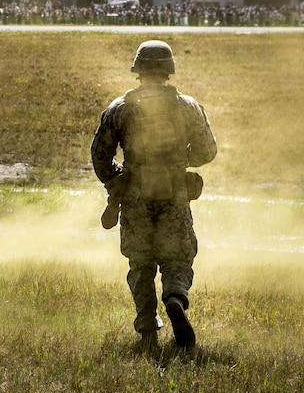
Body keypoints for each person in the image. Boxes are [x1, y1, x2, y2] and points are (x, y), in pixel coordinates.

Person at [90, 40, 217, 352]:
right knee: (177, 256)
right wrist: (178, 163)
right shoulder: (187, 106)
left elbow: (99, 155)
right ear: (169, 70)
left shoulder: (119, 108)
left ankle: (147, 325)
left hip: (135, 195)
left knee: (141, 262)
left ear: (138, 70)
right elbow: (207, 151)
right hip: (174, 192)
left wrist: (117, 178)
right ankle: (175, 296)